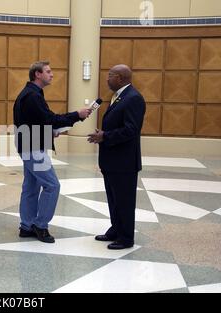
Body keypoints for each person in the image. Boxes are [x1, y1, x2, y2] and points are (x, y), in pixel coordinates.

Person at [13, 61, 91, 243]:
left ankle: (26, 226)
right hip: (32, 148)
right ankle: (40, 226)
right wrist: (76, 115)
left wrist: (50, 131)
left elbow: (37, 122)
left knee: (31, 187)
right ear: (37, 74)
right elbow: (49, 118)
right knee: (52, 185)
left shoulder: (30, 94)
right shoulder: (32, 96)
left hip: (28, 145)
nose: (52, 74)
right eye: (48, 71)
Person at [87, 64, 146, 250]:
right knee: (114, 198)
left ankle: (126, 237)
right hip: (113, 160)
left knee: (124, 201)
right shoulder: (119, 97)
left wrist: (105, 136)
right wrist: (105, 133)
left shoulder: (133, 98)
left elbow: (131, 129)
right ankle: (116, 228)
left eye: (110, 75)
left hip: (124, 162)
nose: (107, 78)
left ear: (120, 78)